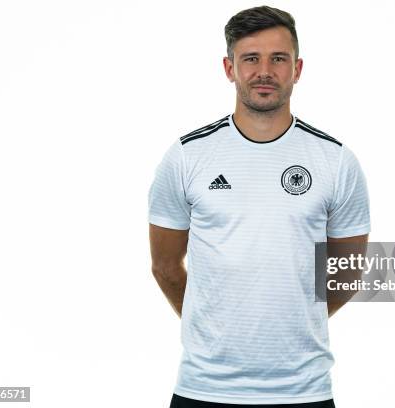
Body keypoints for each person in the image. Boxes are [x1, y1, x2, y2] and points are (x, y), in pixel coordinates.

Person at [148, 5, 370, 408]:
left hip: (305, 392)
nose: (264, 71)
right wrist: (212, 328)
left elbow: (346, 275)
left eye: (278, 59)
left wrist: (294, 319)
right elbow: (164, 266)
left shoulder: (336, 161)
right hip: (204, 389)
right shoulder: (186, 156)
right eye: (250, 58)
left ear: (297, 69)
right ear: (229, 68)